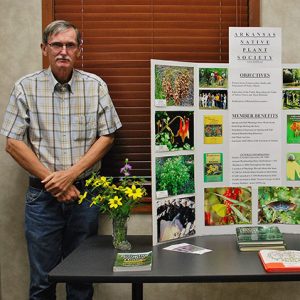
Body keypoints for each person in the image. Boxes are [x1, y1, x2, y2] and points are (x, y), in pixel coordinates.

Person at [1, 20, 122, 300]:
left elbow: (107, 137)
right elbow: (13, 143)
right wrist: (55, 182)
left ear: (79, 49)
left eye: (70, 45)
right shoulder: (25, 88)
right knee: (42, 282)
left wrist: (70, 175)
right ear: (45, 49)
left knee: (82, 280)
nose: (63, 51)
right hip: (42, 198)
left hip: (85, 196)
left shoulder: (95, 86)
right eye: (56, 45)